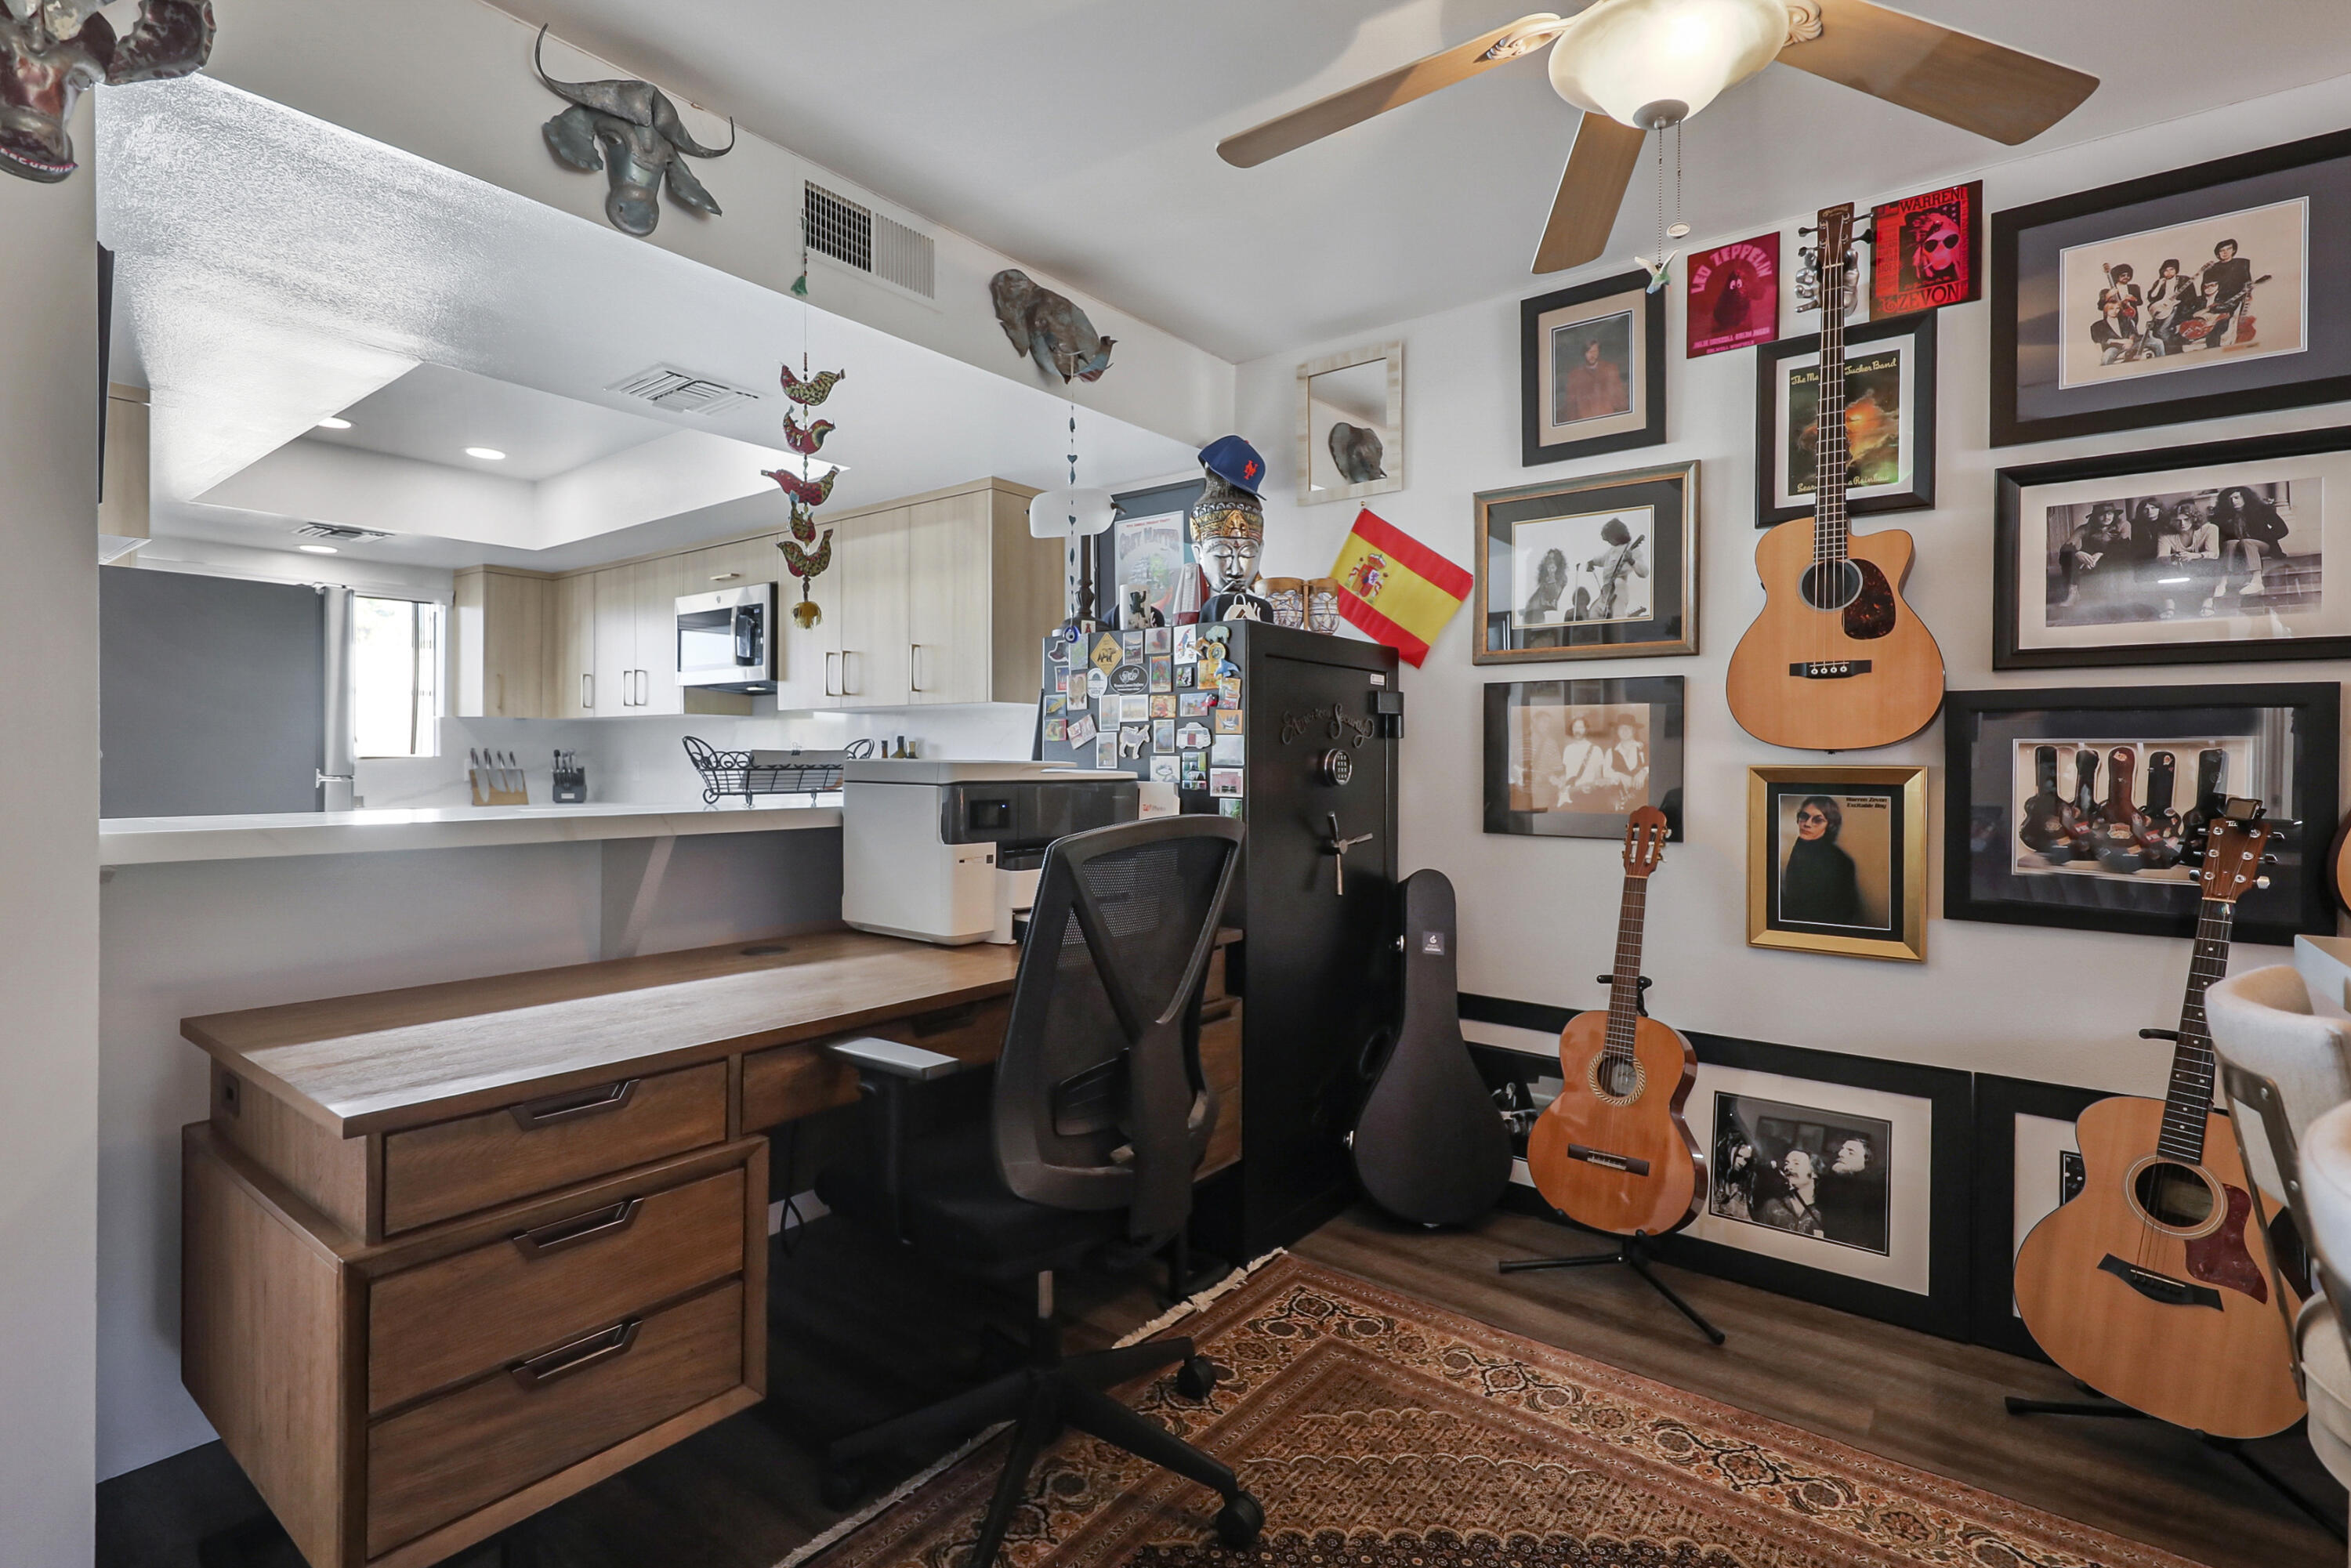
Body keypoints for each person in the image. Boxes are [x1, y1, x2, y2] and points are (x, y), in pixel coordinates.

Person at [1780, 795, 1864, 927]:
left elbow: (1844, 912)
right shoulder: (1801, 846)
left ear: (1829, 825)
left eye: (1817, 820)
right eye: (1804, 816)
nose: (1807, 824)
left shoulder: (1840, 861)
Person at [2208, 485, 2289, 602]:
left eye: (2237, 498)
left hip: (2262, 546)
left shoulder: (2262, 509)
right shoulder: (2225, 515)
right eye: (2230, 499)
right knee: (2230, 543)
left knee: (2247, 542)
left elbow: (2282, 530)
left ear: (2245, 497)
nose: (2234, 501)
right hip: (2238, 548)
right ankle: (2222, 583)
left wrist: (2260, 538)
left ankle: (2257, 581)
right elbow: (2221, 538)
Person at [2055, 507, 2128, 610]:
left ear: (2114, 515)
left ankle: (2111, 595)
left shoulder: (2123, 525)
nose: (2106, 517)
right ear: (2094, 516)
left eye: (2110, 514)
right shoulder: (2085, 528)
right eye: (2101, 514)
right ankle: (2073, 593)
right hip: (2087, 560)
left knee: (2122, 555)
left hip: (2110, 558)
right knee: (2066, 554)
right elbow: (2066, 547)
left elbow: (2124, 548)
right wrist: (2077, 553)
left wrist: (2101, 554)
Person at [1583, 518, 1648, 621]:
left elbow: (1645, 572)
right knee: (1593, 615)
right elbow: (1600, 559)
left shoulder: (1631, 548)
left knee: (1617, 617)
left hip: (1619, 590)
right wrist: (1591, 562)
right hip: (1606, 592)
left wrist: (1631, 560)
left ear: (1617, 535)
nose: (1609, 541)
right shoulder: (1611, 551)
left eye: (1610, 538)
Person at [1758, 1148, 1828, 1238]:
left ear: (1814, 1172)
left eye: (1796, 1163)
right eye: (1787, 1163)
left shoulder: (1824, 1212)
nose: (1788, 1168)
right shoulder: (1772, 1206)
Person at [1559, 334, 1628, 422]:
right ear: (1584, 353)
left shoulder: (1610, 369)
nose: (1592, 355)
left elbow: (1620, 398)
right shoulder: (1575, 375)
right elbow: (1571, 406)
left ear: (1599, 351)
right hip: (1585, 422)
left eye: (1595, 351)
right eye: (1589, 352)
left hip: (1608, 419)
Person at [1554, 714, 1611, 809]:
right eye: (1575, 727)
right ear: (1572, 729)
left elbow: (1598, 777)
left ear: (1586, 729)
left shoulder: (1596, 750)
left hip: (1587, 796)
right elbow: (1566, 774)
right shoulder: (1568, 749)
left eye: (1581, 727)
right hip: (1569, 794)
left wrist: (1592, 787)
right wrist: (1560, 787)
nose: (1577, 730)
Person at [2146, 258, 2196, 352]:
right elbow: (2151, 298)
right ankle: (2171, 353)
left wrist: (2179, 304)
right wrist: (2159, 284)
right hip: (2162, 312)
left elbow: (2191, 298)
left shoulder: (2184, 279)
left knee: (2163, 331)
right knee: (2158, 333)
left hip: (2178, 310)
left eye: (2171, 269)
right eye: (2166, 270)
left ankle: (2174, 352)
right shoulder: (2159, 282)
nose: (2169, 272)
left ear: (2176, 270)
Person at [1606, 715, 1649, 808]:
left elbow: (1658, 767)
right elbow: (1606, 773)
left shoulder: (1645, 748)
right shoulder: (1611, 752)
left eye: (1628, 728)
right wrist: (1620, 775)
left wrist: (1644, 771)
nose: (1625, 731)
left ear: (1634, 731)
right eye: (1621, 728)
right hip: (1621, 797)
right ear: (1617, 731)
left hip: (1645, 798)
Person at [1520, 548, 1569, 623]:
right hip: (1531, 612)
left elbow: (1552, 595)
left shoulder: (1561, 578)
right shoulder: (1546, 578)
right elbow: (1539, 595)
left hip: (1539, 613)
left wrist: (1552, 575)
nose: (1550, 561)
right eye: (1549, 558)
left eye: (1553, 559)